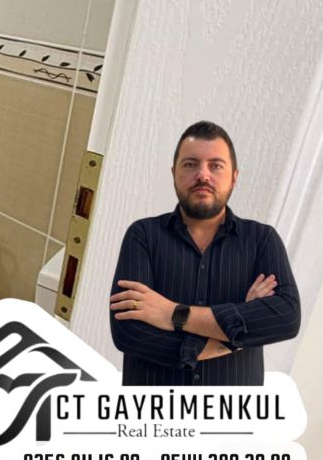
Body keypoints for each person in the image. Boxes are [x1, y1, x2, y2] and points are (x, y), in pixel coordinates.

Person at [108, 121, 300, 385]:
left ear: (234, 176)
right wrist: (234, 338)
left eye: (216, 166)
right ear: (174, 173)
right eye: (190, 164)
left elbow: (286, 318)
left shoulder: (262, 240)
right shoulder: (143, 235)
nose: (203, 175)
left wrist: (173, 313)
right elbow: (128, 333)